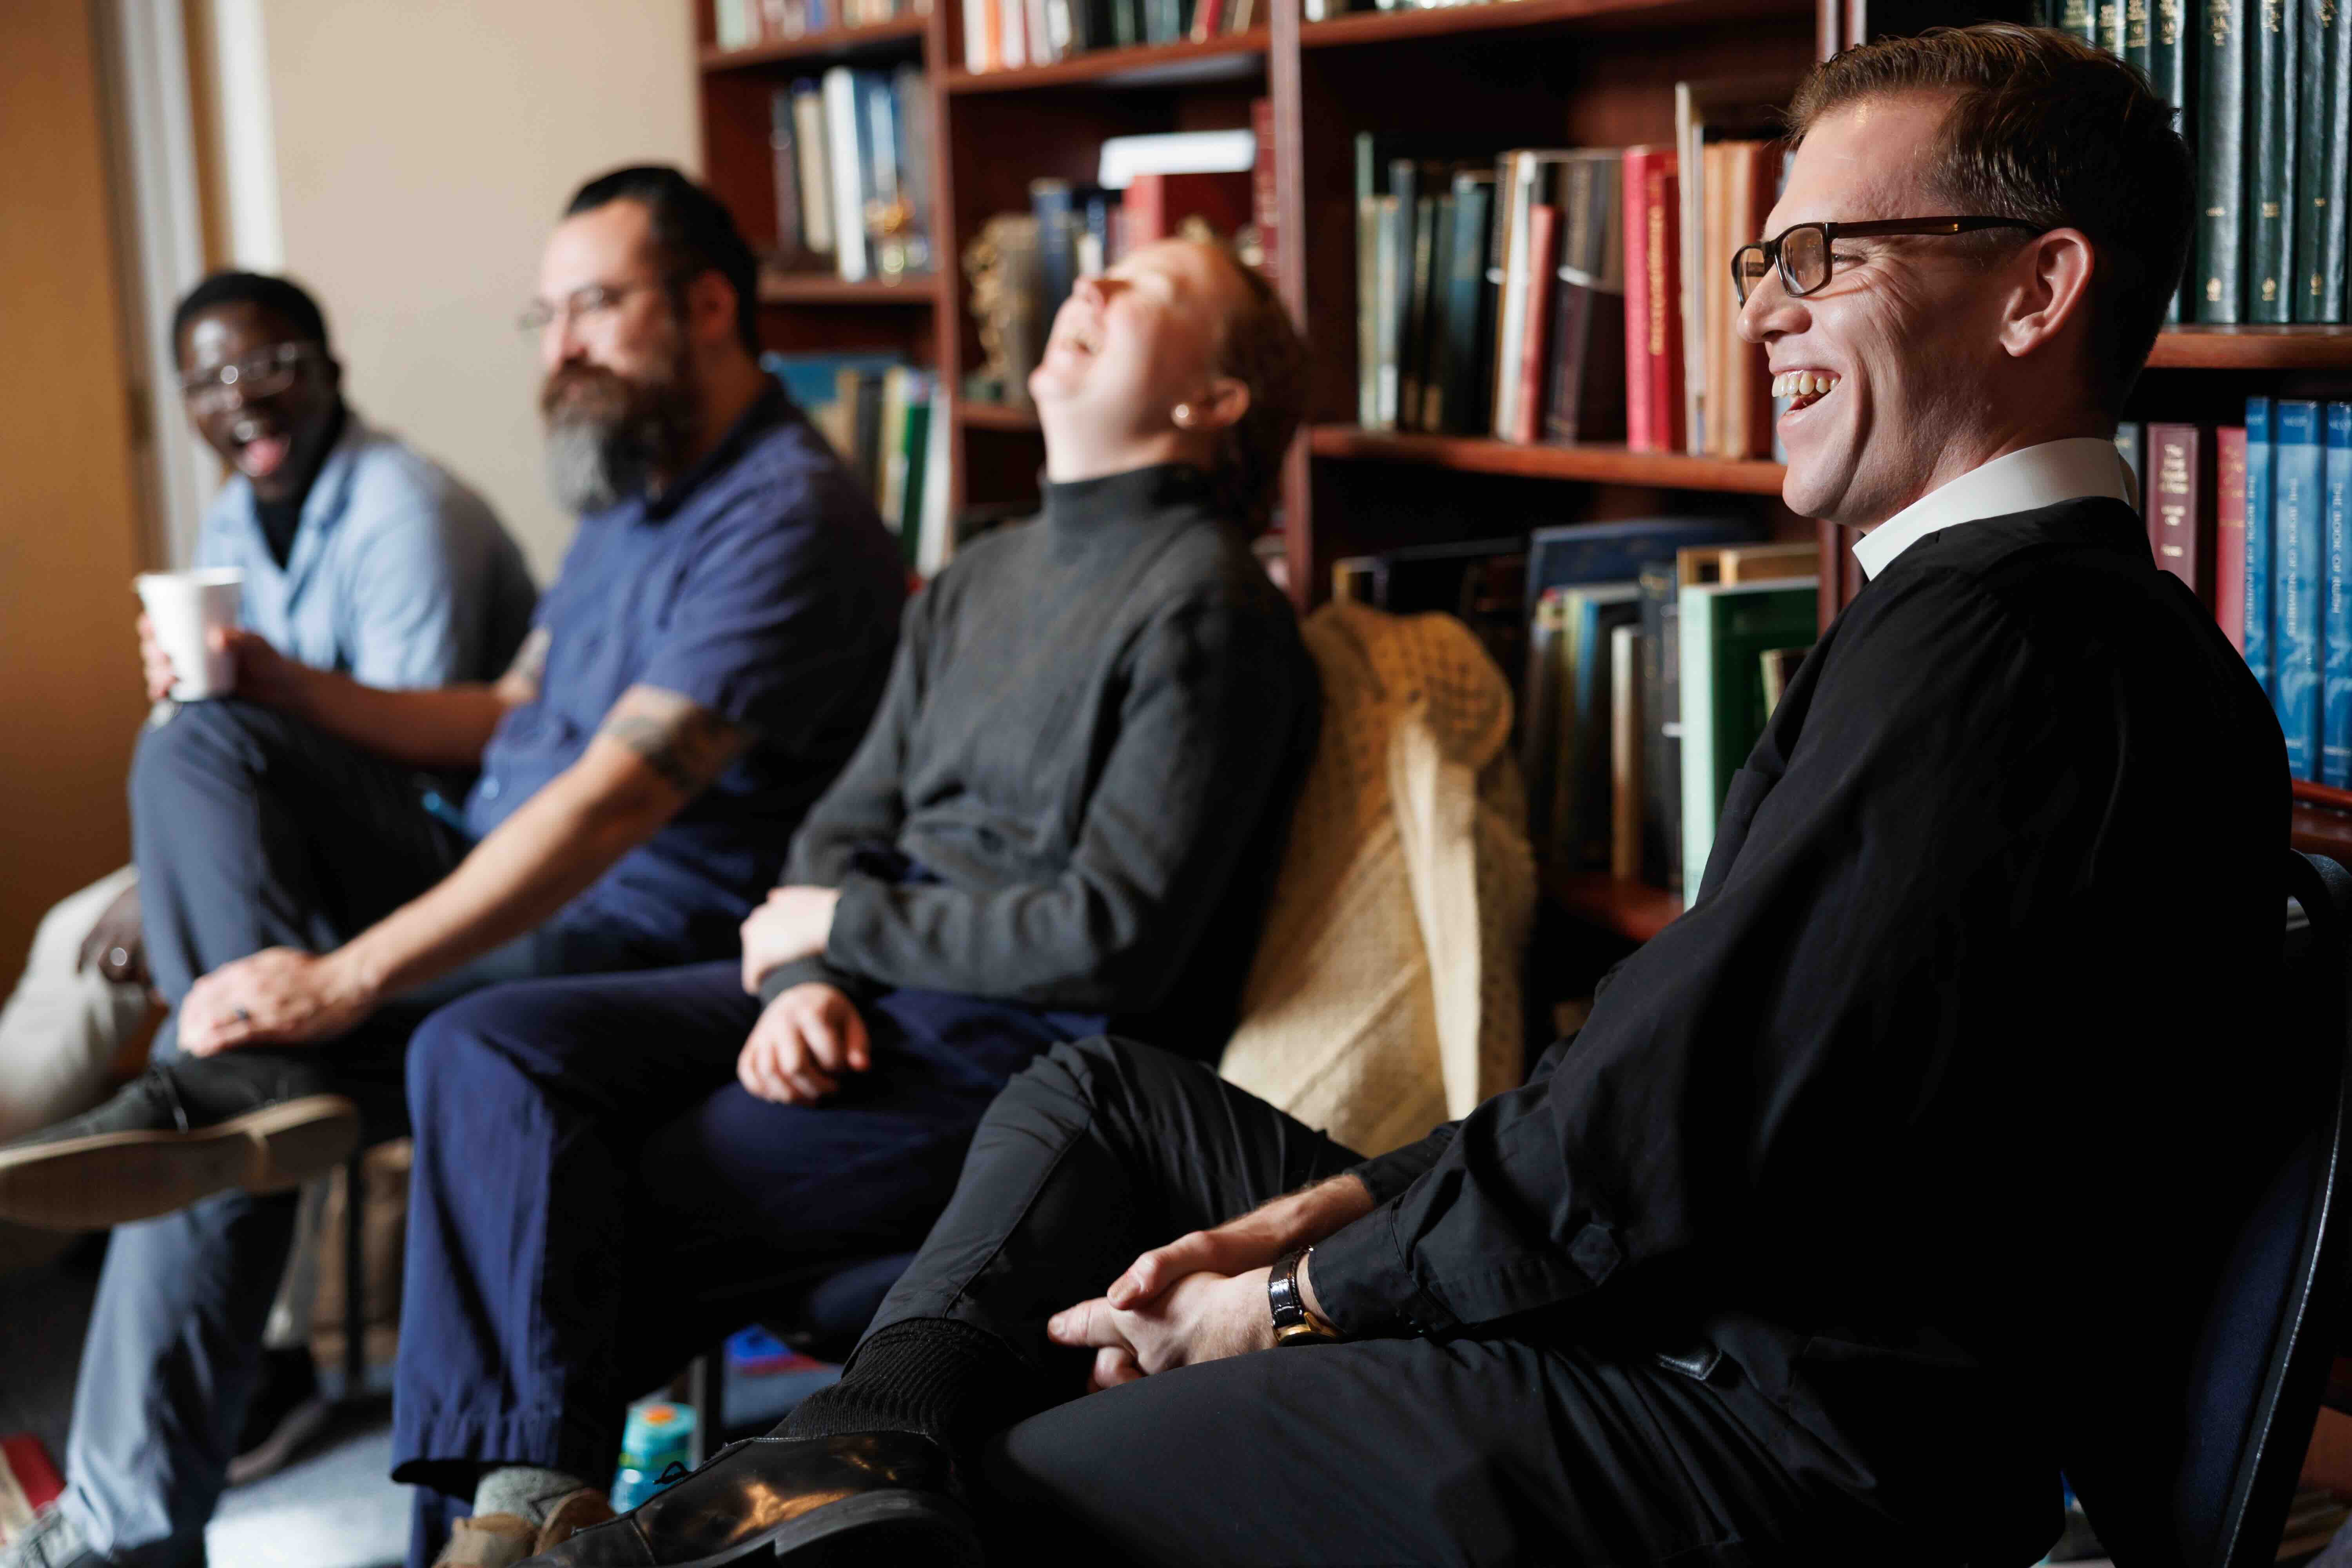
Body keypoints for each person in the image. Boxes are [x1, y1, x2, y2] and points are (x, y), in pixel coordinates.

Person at [521, 26, 2288, 1568]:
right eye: (1764, 257)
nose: (1761, 306)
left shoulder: (2018, 657)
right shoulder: (1960, 620)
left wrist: (1288, 1304)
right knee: (1101, 1107)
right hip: (1670, 1311)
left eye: (1822, 255)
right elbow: (1645, 1090)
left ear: (2038, 288)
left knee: (1024, 1489)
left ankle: (852, 1487)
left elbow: (1664, 1133)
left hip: (1761, 1437)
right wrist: (1329, 1212)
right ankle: (845, 1447)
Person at [0, 166, 907, 1568]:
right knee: (201, 742)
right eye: (545, 317)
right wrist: (270, 679)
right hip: (496, 865)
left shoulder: (786, 517)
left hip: (629, 933)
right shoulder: (636, 481)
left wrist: (340, 978)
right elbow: (503, 718)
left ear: (710, 304)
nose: (560, 350)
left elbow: (609, 809)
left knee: (228, 1055)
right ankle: (246, 1082)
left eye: (592, 308)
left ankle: (126, 1518)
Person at [389, 235, 1319, 1568]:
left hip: (1011, 1055)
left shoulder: (1211, 608)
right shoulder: (984, 572)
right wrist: (802, 979)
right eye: (1096, 271)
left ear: (1214, 400)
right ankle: (525, 1522)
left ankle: (498, 1535)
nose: (1090, 288)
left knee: (561, 1200)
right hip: (859, 992)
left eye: (1150, 290)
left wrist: (839, 935)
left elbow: (1114, 935)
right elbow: (843, 820)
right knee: (476, 1051)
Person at [0, 269, 535, 1149]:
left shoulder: (406, 512)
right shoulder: (235, 522)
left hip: (437, 838)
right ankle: (34, 1179)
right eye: (207, 382)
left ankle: (231, 1104)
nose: (239, 398)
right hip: (298, 818)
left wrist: (170, 885)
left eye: (269, 366)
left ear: (330, 369)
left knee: (168, 986)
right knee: (78, 930)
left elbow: (412, 744)